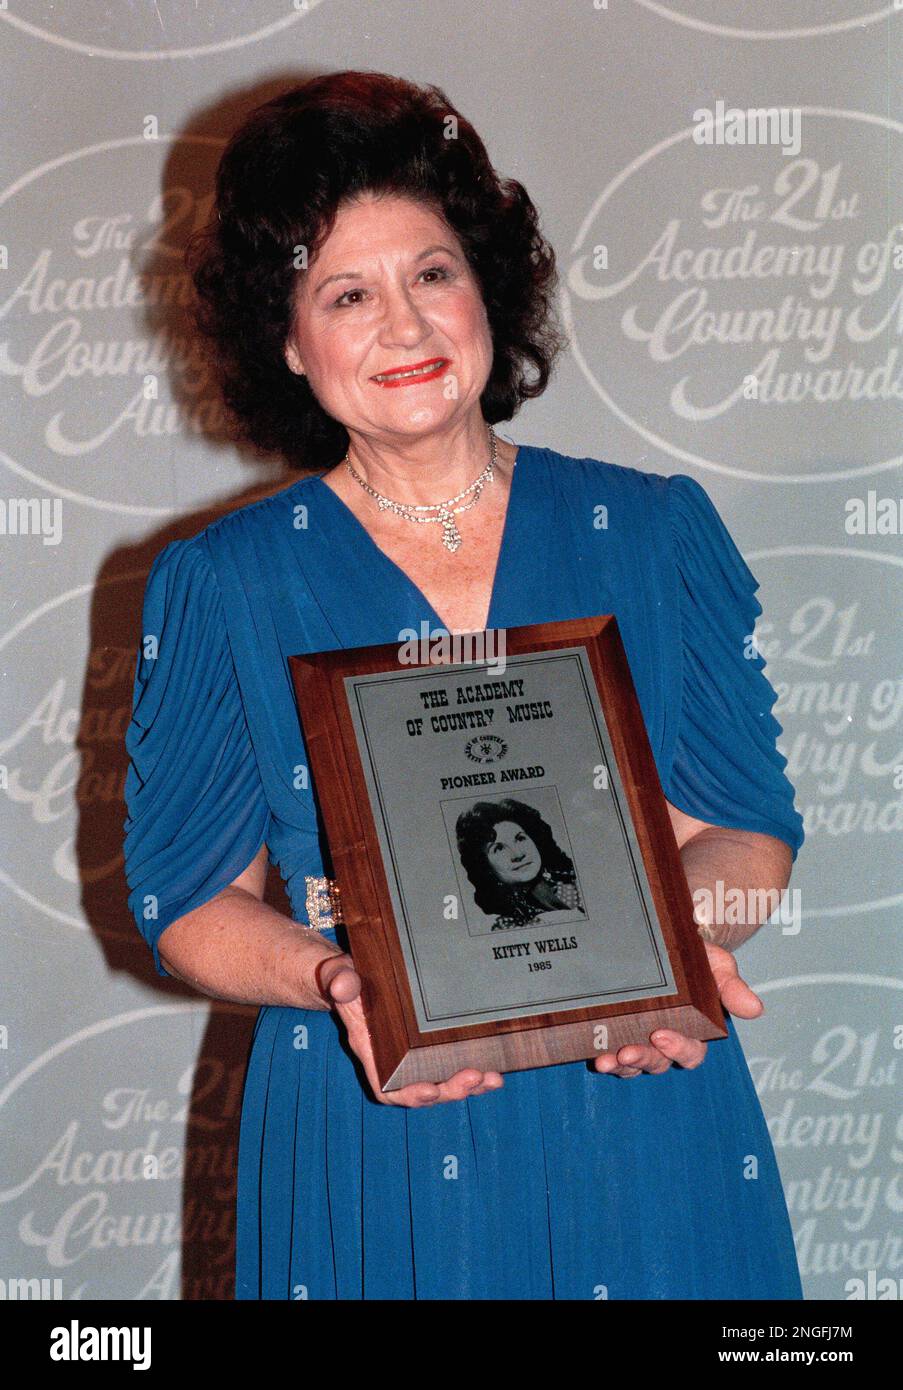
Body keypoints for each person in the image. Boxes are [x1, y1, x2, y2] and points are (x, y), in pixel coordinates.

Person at [123, 70, 805, 1300]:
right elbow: (188, 901)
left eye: (433, 272)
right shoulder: (221, 583)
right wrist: (342, 978)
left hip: (642, 1122)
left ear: (487, 288)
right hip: (368, 1114)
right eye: (347, 292)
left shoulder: (650, 531)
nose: (406, 326)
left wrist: (678, 951)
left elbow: (741, 830)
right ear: (287, 341)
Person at [455, 797, 586, 929]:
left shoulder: (575, 881)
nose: (518, 854)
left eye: (520, 838)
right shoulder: (506, 926)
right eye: (499, 848)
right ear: (484, 866)